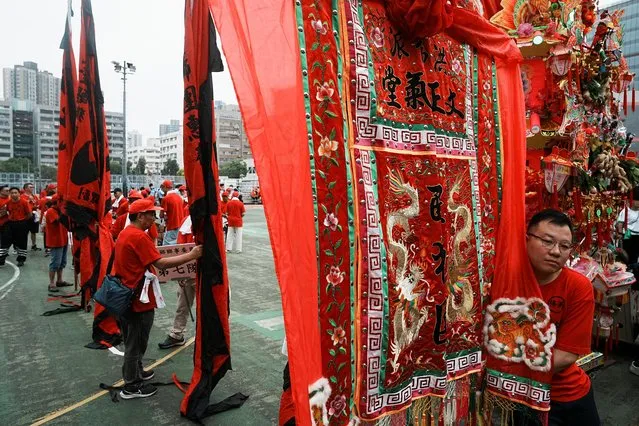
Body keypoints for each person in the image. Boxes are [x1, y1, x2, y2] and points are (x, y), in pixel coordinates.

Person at [112, 198, 202, 399]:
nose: (155, 217)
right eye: (151, 214)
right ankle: (131, 385)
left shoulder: (126, 233)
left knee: (132, 339)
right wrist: (192, 255)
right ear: (140, 216)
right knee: (136, 342)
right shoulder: (138, 237)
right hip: (136, 299)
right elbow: (160, 264)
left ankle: (137, 372)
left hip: (126, 295)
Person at [525, 209, 599, 425]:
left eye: (564, 246)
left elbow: (566, 356)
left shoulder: (578, 287)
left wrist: (505, 370)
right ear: (526, 239)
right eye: (547, 241)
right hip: (519, 396)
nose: (556, 252)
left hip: (566, 397)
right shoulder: (506, 279)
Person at [158, 214, 196, 349]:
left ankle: (211, 334)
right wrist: (180, 273)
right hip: (187, 272)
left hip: (206, 273)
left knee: (210, 306)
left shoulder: (212, 220)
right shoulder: (186, 220)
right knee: (182, 304)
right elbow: (180, 248)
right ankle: (177, 334)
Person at [0, 187, 33, 266]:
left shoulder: (24, 202)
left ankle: (21, 260)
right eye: (12, 193)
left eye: (15, 192)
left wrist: (22, 220)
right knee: (5, 242)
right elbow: (5, 212)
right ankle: (1, 260)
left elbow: (29, 214)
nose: (14, 194)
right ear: (10, 194)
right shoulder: (8, 202)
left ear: (19, 193)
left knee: (21, 242)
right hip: (10, 223)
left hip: (22, 224)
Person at [45, 195, 70, 293]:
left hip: (63, 239)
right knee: (55, 262)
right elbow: (58, 220)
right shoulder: (51, 211)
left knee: (62, 262)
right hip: (56, 241)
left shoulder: (60, 210)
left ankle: (59, 280)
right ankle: (51, 283)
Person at [160, 180, 184, 246]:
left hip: (171, 225)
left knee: (167, 247)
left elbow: (161, 215)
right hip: (180, 225)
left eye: (162, 187)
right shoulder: (179, 197)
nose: (162, 189)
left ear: (165, 187)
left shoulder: (166, 198)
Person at [21, 183, 41, 251]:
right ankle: (22, 246)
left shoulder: (34, 196)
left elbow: (38, 204)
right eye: (30, 187)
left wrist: (36, 206)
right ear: (26, 188)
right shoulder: (22, 196)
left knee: (33, 231)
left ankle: (33, 245)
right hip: (25, 216)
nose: (32, 188)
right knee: (24, 232)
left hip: (34, 215)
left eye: (32, 187)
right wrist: (28, 201)